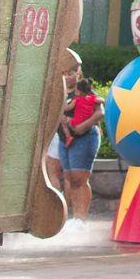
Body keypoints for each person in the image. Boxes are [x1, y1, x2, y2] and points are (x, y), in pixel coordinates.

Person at [46, 75, 103, 226]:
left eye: (73, 72)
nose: (70, 76)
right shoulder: (58, 91)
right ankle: (73, 217)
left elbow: (100, 112)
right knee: (69, 178)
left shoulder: (85, 91)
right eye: (67, 72)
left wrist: (83, 126)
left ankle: (81, 218)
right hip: (64, 138)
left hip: (83, 136)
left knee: (79, 178)